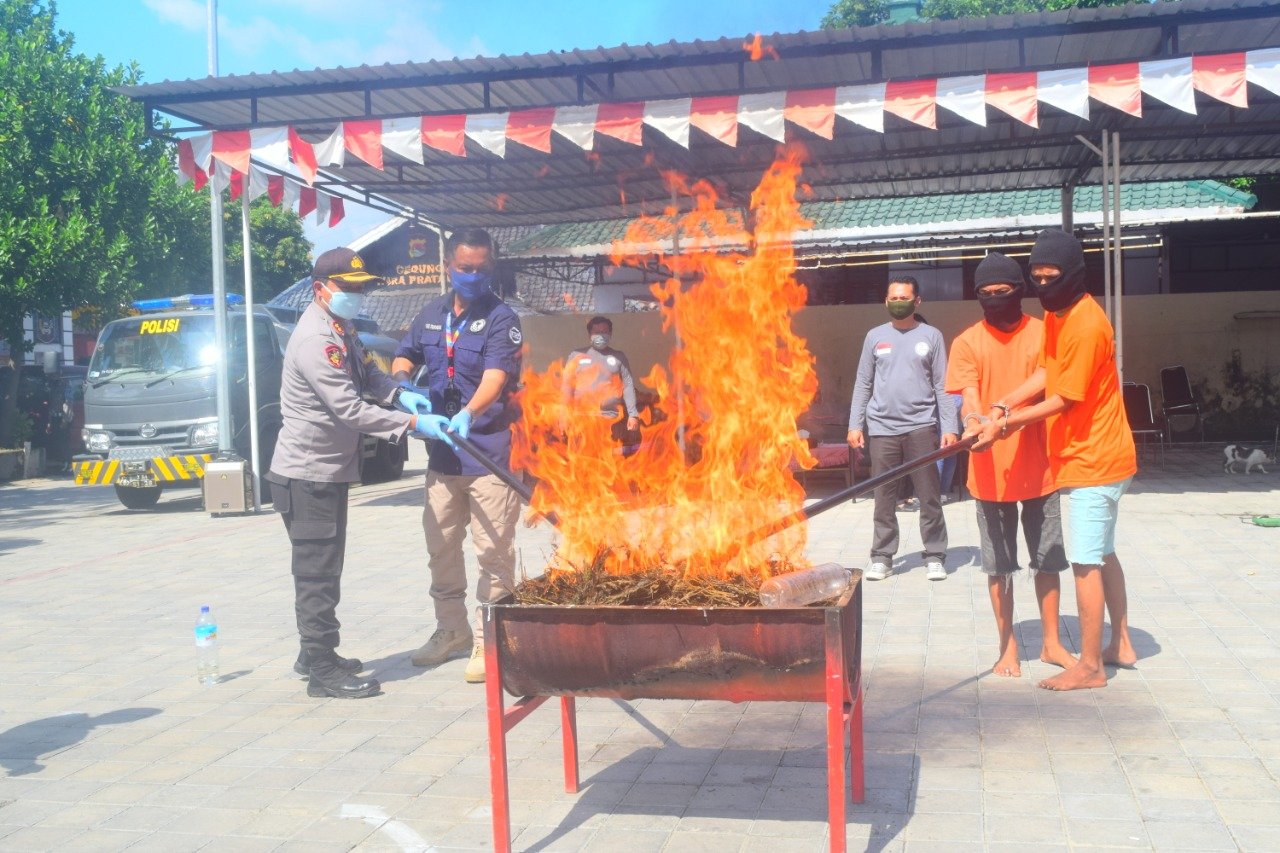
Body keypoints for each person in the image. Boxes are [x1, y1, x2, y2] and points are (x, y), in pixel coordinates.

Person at [969, 229, 1137, 691]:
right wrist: (1004, 404)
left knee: (1083, 562)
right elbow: (1046, 372)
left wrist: (1005, 424)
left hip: (1093, 460)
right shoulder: (1060, 315)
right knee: (1103, 551)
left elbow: (1063, 396)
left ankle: (1090, 666)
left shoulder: (1085, 323)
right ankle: (1120, 643)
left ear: (1076, 274)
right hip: (1100, 458)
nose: (1044, 286)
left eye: (1052, 276)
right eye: (1037, 277)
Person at [268, 248, 438, 699]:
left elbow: (369, 377)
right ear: (321, 288)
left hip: (326, 472)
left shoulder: (339, 328)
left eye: (361, 288)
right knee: (317, 574)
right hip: (308, 476)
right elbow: (348, 408)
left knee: (327, 566)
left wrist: (402, 394)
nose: (357, 296)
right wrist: (412, 424)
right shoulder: (314, 340)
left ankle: (314, 654)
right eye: (349, 288)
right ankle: (322, 671)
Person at [391, 227, 523, 684]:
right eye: (464, 268)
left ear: (491, 267)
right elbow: (403, 355)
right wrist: (403, 386)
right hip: (442, 459)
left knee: (493, 551)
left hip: (487, 453)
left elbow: (495, 377)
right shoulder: (430, 313)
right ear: (449, 265)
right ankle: (452, 631)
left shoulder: (502, 317)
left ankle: (492, 639)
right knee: (441, 548)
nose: (472, 276)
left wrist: (468, 412)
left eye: (481, 269)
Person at [946, 252, 1075, 678]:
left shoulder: (1044, 332)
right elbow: (968, 395)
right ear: (978, 295)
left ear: (1020, 291)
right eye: (986, 293)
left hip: (1042, 468)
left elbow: (1048, 379)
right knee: (998, 565)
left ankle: (1052, 642)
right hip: (988, 472)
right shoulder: (967, 341)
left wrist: (1003, 409)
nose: (996, 299)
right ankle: (1007, 645)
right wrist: (973, 423)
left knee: (1048, 559)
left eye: (1004, 292)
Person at [847, 275, 959, 582]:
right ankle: (882, 556)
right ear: (886, 302)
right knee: (884, 496)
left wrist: (950, 426)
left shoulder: (931, 336)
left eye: (904, 298)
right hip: (882, 428)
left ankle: (935, 554)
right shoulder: (874, 337)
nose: (899, 303)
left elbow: (942, 385)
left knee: (929, 494)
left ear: (917, 301)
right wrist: (855, 424)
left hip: (922, 427)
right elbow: (863, 382)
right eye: (893, 299)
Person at [560, 316, 640, 453]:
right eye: (596, 332)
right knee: (580, 462)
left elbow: (628, 385)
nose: (600, 335)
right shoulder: (576, 355)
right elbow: (567, 387)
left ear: (610, 334)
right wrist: (563, 416)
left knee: (609, 463)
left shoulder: (619, 357)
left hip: (610, 419)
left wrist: (633, 414)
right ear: (589, 335)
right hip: (581, 418)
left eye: (604, 331)